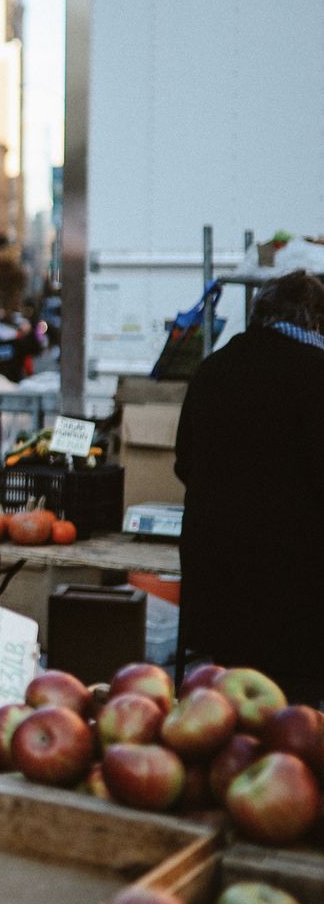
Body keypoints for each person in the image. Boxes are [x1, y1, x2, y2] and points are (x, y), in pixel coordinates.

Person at [175, 271, 324, 700]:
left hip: (217, 593)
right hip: (296, 604)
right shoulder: (316, 374)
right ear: (315, 320)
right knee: (292, 725)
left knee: (230, 723)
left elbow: (184, 463)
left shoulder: (213, 368)